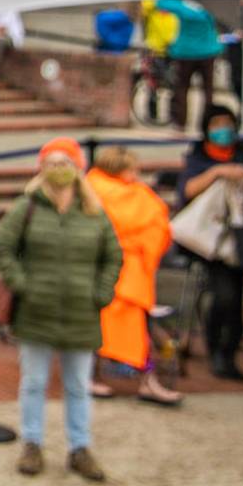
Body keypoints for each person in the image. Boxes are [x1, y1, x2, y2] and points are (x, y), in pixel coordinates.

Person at [0, 138, 122, 481]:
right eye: (51, 162)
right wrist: (23, 284)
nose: (59, 169)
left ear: (78, 168)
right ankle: (31, 443)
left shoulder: (93, 211)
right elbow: (3, 249)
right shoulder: (27, 208)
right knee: (33, 381)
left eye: (65, 162)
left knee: (78, 383)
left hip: (81, 312)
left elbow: (112, 255)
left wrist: (101, 292)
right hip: (37, 311)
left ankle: (80, 447)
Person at [178, 103, 243, 381]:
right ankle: (216, 349)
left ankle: (229, 352)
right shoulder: (198, 157)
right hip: (207, 242)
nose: (223, 130)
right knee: (225, 295)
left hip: (241, 240)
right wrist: (218, 173)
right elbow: (189, 190)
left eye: (227, 123)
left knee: (237, 294)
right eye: (216, 124)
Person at [86, 146, 182, 405]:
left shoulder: (135, 193)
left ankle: (147, 381)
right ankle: (92, 376)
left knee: (139, 330)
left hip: (133, 272)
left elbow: (156, 224)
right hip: (108, 270)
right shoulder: (94, 190)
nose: (136, 174)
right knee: (98, 326)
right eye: (132, 169)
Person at [156, 0, 225, 130]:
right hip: (208, 52)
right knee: (208, 90)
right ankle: (207, 122)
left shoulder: (182, 8)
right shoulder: (204, 11)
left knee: (182, 88)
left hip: (186, 53)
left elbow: (160, 3)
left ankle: (180, 122)